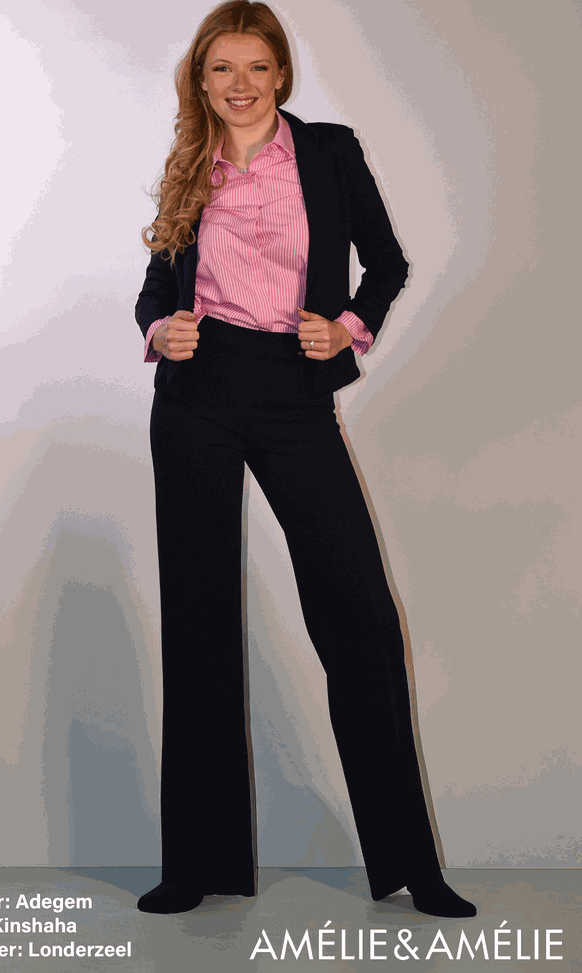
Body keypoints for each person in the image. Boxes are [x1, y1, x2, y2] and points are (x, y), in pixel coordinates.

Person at [134, 0, 476, 919]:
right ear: (201, 80)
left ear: (281, 73)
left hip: (293, 392)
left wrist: (348, 327)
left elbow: (388, 262)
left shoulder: (328, 153)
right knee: (198, 620)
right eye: (221, 69)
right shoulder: (189, 163)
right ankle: (196, 863)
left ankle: (412, 864)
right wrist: (159, 328)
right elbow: (157, 282)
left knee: (362, 615)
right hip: (199, 393)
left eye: (256, 67)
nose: (239, 85)